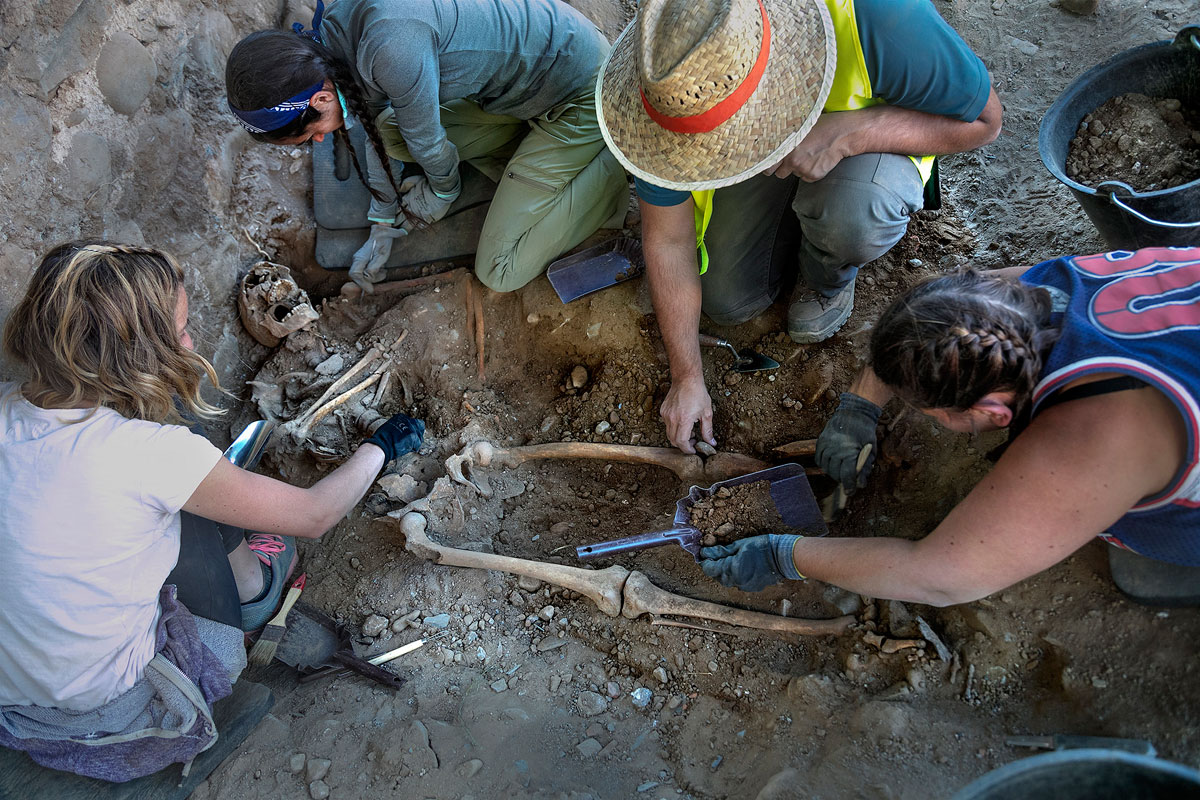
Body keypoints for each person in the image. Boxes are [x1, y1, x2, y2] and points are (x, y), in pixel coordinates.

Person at [0, 241, 424, 781]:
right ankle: (252, 587)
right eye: (178, 332)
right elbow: (317, 514)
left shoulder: (7, 406)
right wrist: (382, 446)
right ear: (134, 354)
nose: (191, 341)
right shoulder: (151, 453)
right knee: (184, 454)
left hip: (11, 686)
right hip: (104, 707)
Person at [595, 0, 1002, 454]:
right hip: (771, 159)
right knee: (727, 301)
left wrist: (849, 133)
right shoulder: (668, 81)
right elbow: (668, 240)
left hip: (869, 155)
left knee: (853, 215)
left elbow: (985, 122)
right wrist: (687, 376)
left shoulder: (877, 17)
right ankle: (794, 224)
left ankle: (827, 274)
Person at [699, 246, 1200, 606]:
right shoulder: (1051, 286)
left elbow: (941, 578)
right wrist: (859, 406)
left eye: (930, 412)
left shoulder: (1089, 437)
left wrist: (785, 555)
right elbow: (930, 312)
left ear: (994, 416)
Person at [225, 0, 628, 294]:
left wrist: (441, 192)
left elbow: (430, 145)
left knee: (500, 271)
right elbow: (375, 126)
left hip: (582, 93)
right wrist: (382, 223)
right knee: (394, 131)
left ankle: (615, 162)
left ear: (321, 100)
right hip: (526, 83)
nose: (320, 140)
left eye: (312, 133)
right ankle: (541, 160)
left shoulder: (391, 49)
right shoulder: (335, 32)